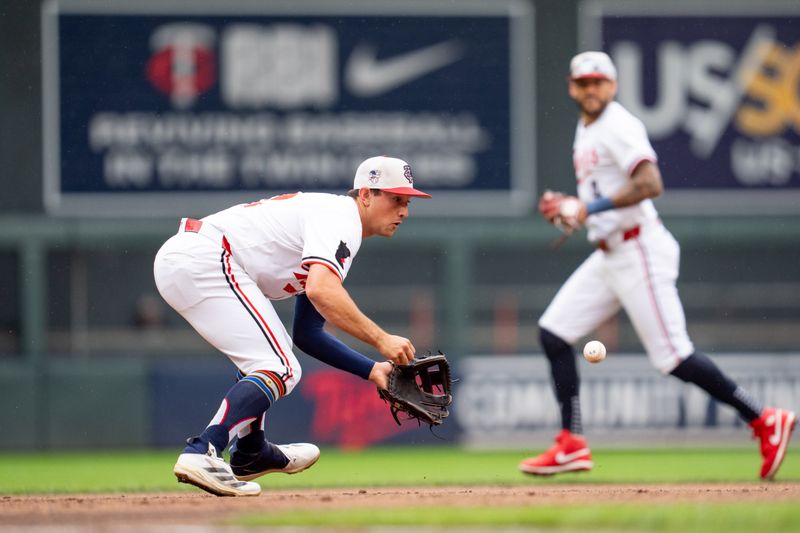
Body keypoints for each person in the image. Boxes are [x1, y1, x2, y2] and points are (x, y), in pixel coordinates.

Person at [518, 51, 796, 480]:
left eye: (599, 82)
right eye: (583, 82)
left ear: (611, 86)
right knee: (554, 333)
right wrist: (572, 211)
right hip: (609, 252)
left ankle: (763, 420)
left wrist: (586, 207)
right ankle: (571, 442)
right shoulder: (587, 125)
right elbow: (600, 194)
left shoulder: (618, 124)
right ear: (572, 88)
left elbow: (651, 184)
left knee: (674, 358)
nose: (591, 89)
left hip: (640, 250)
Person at [153, 155, 431, 496]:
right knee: (279, 366)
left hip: (191, 259)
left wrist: (372, 370)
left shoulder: (334, 228)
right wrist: (381, 339)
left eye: (407, 202)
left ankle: (251, 452)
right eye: (395, 199)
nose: (404, 210)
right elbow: (321, 290)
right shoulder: (340, 219)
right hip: (206, 256)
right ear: (366, 195)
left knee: (267, 361)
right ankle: (204, 449)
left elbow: (308, 333)